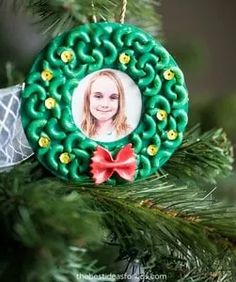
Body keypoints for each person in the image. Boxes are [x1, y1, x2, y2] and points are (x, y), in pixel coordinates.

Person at [81, 70, 131, 141]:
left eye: (113, 97)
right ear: (88, 99)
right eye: (98, 96)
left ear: (120, 101)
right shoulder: (80, 131)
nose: (105, 104)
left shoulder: (128, 133)